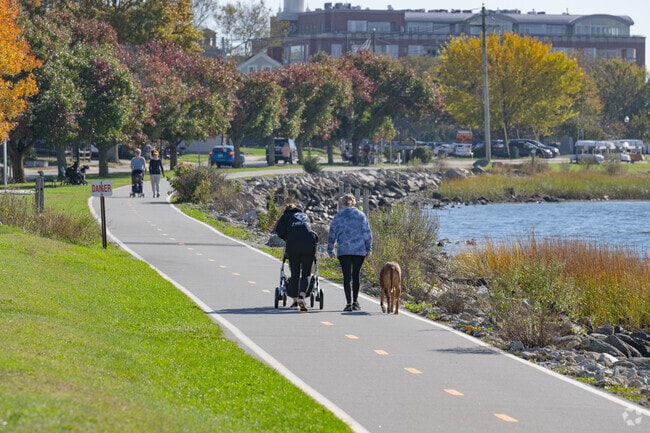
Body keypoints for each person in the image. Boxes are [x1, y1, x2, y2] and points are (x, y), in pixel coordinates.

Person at [327, 194, 373, 312]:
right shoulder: (361, 215)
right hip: (359, 250)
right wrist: (369, 249)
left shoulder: (338, 216)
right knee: (356, 275)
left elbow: (332, 233)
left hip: (344, 250)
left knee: (346, 277)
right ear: (354, 202)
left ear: (342, 203)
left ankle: (348, 303)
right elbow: (367, 234)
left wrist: (330, 249)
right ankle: (355, 302)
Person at [274, 203, 318, 311]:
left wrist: (287, 237)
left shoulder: (286, 216)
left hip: (294, 244)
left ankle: (295, 302)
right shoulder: (304, 216)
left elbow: (279, 231)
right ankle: (302, 297)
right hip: (309, 243)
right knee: (306, 272)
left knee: (295, 273)